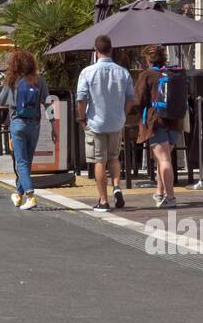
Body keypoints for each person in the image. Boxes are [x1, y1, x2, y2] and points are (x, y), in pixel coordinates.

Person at [76, 35, 136, 212]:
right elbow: (130, 99)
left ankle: (103, 200)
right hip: (116, 122)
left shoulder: (87, 72)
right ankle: (117, 186)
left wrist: (82, 118)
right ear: (111, 50)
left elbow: (81, 99)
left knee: (99, 161)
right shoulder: (123, 72)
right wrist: (122, 116)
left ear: (96, 50)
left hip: (96, 122)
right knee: (114, 157)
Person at [134, 44, 184, 209]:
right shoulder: (173, 73)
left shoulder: (147, 75)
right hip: (175, 121)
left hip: (157, 122)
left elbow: (137, 101)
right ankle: (160, 193)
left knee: (163, 160)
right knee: (163, 160)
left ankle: (171, 197)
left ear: (148, 59)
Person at [1, 49, 50, 210]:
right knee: (27, 163)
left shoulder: (13, 80)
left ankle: (30, 196)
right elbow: (48, 103)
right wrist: (54, 126)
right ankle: (18, 194)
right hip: (34, 125)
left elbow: (3, 102)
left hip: (17, 123)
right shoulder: (40, 81)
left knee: (21, 162)